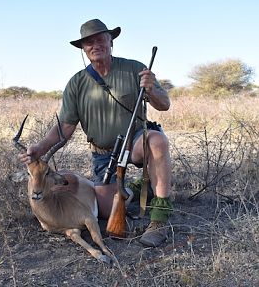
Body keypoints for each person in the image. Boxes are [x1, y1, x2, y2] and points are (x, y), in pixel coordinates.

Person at [19, 19, 173, 247]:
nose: (95, 45)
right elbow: (66, 127)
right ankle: (142, 187)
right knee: (105, 212)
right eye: (89, 42)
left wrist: (151, 90)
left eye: (100, 39)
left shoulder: (135, 68)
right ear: (83, 48)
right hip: (105, 154)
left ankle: (160, 217)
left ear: (110, 41)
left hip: (136, 143)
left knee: (158, 140)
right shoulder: (77, 83)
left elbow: (164, 104)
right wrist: (40, 148)